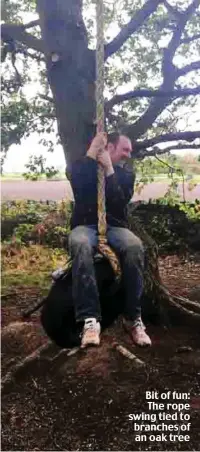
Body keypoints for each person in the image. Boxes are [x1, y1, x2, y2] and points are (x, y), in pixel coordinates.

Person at [68, 132, 151, 348]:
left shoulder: (126, 175)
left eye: (129, 151)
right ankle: (90, 319)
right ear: (110, 148)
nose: (128, 154)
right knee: (80, 244)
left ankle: (133, 318)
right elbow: (77, 183)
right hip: (86, 225)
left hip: (114, 226)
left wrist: (110, 170)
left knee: (134, 247)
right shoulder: (84, 167)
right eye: (125, 149)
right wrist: (92, 151)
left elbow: (119, 201)